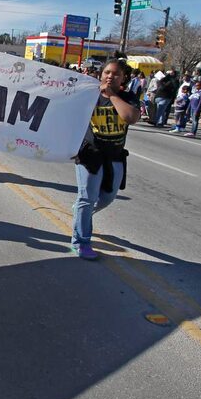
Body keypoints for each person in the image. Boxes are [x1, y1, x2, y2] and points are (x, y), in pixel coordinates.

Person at [71, 58, 141, 260]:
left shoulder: (128, 97)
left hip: (115, 155)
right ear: (101, 75)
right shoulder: (89, 94)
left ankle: (80, 213)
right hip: (89, 154)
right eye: (107, 73)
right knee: (87, 197)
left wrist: (111, 96)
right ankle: (81, 242)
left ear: (124, 78)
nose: (111, 76)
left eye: (116, 74)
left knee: (107, 197)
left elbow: (130, 118)